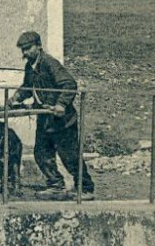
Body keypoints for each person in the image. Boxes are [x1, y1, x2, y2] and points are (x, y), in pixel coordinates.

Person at [8, 30, 94, 196]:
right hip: (45, 118)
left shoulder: (49, 63)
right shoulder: (30, 66)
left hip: (62, 120)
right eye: (23, 49)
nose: (25, 53)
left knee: (69, 156)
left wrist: (61, 104)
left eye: (28, 48)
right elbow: (27, 86)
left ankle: (86, 188)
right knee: (41, 153)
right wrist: (16, 97)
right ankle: (56, 185)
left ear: (38, 46)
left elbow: (69, 84)